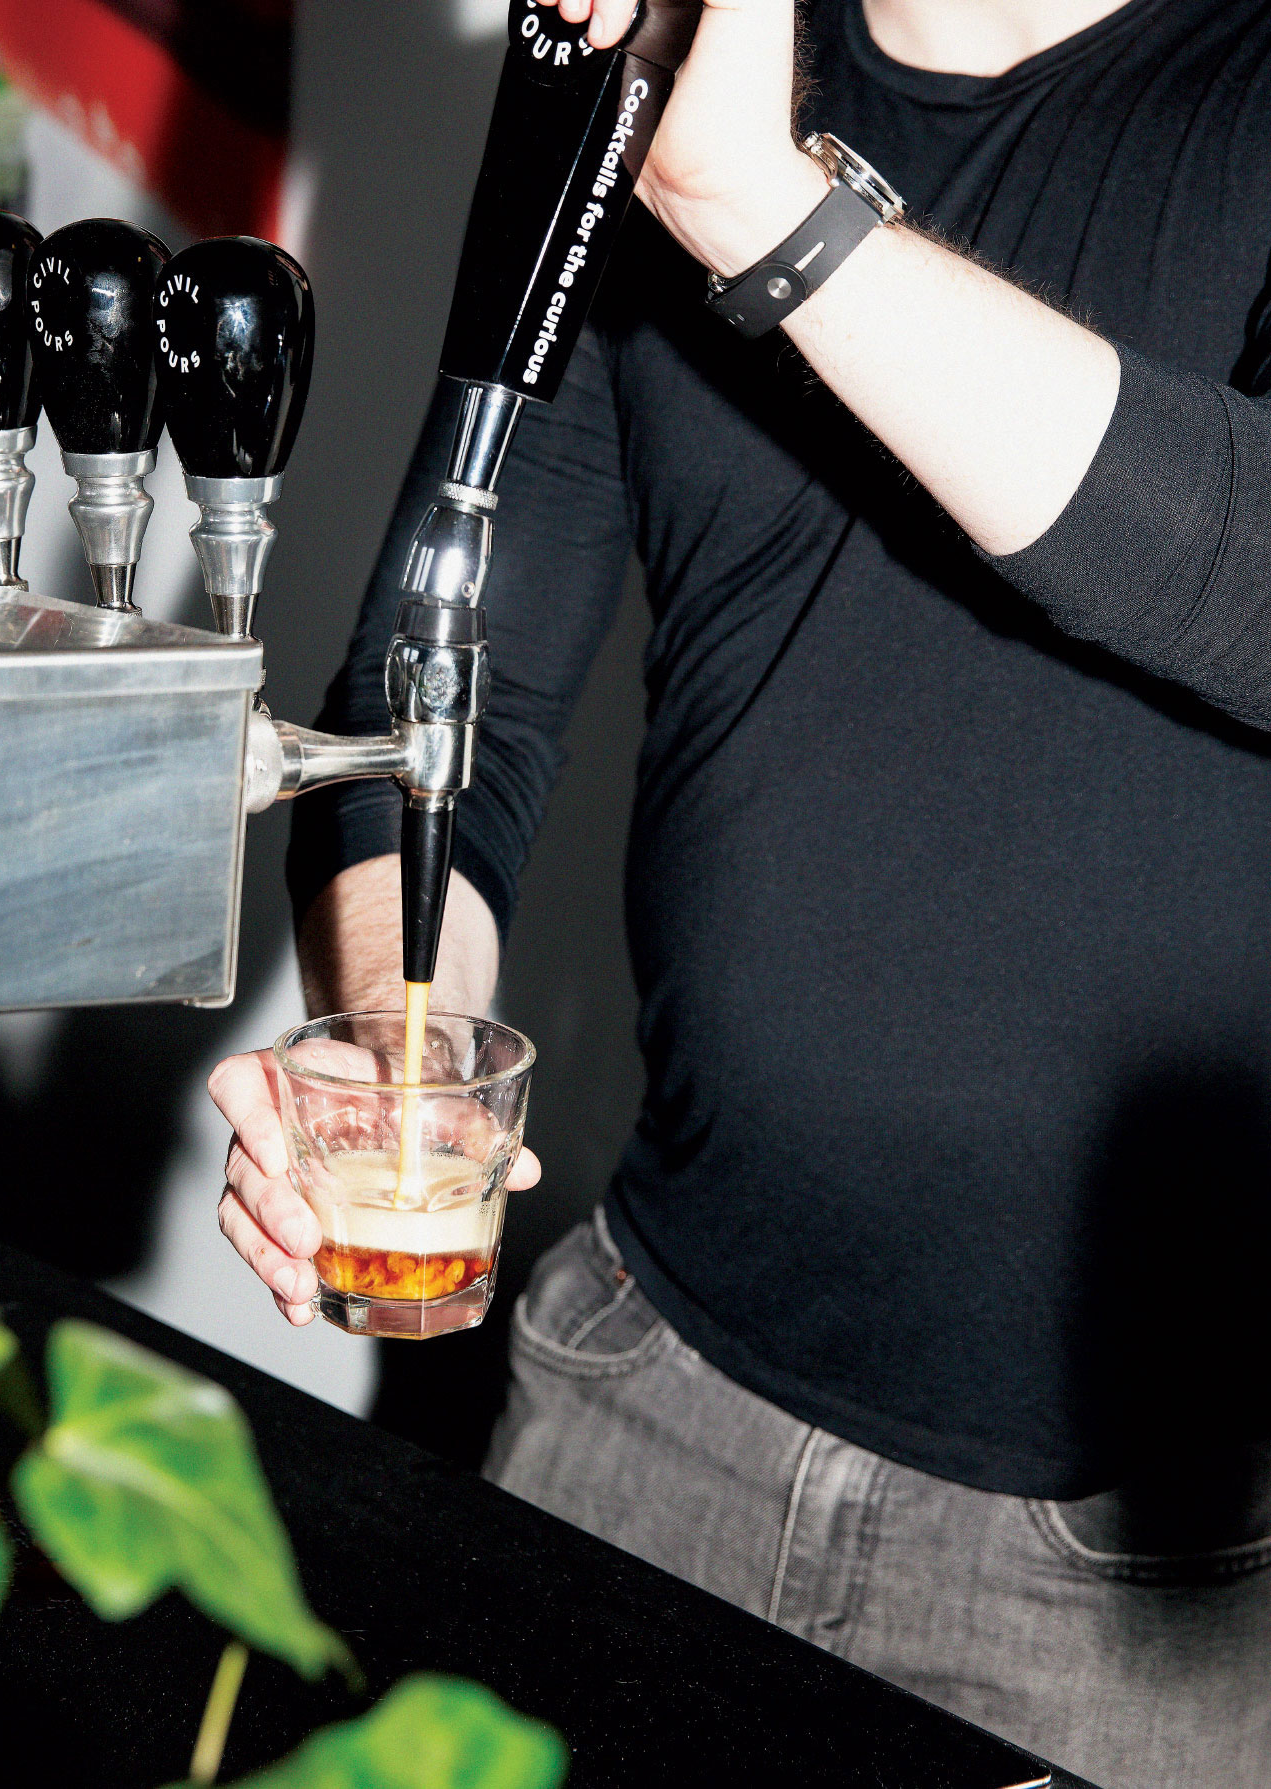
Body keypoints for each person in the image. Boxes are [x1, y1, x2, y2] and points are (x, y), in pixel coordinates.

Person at [209, 1, 1271, 1782]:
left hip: (1136, 1564)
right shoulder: (642, 65)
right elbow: (450, 680)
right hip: (644, 1396)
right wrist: (395, 1049)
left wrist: (764, 215)